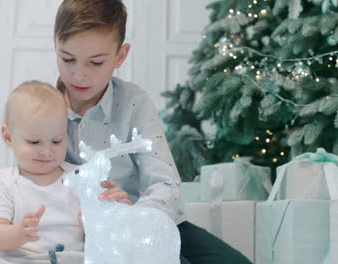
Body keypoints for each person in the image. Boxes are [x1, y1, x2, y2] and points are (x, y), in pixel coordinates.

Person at [53, 1, 252, 263]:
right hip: (84, 232)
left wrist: (136, 218)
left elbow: (164, 183)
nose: (79, 75)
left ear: (120, 56)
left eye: (95, 62)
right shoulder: (43, 107)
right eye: (67, 59)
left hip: (148, 221)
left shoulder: (134, 101)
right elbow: (33, 178)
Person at [0, 80, 129, 263]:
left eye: (57, 141)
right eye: (34, 142)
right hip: (21, 259)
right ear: (8, 136)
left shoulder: (80, 178)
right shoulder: (7, 181)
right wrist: (18, 233)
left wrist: (97, 222)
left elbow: (106, 234)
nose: (47, 151)